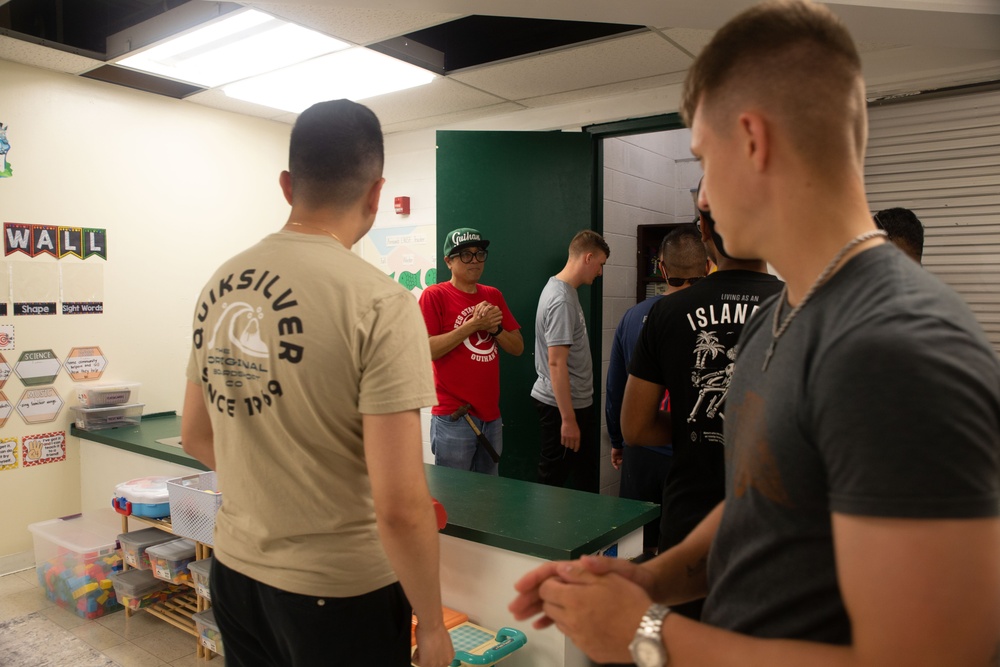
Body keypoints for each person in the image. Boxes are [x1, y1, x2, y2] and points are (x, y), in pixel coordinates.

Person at [510, 3, 1000, 666]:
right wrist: (652, 578)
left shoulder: (896, 342)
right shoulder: (781, 314)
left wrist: (648, 632)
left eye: (703, 160)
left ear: (752, 139)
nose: (703, 196)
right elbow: (761, 502)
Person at [181, 99, 453, 667]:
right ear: (377, 193)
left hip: (236, 572)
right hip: (341, 592)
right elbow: (401, 505)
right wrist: (431, 624)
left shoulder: (220, 283)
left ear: (287, 184)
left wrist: (273, 494)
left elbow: (195, 436)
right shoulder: (380, 302)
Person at [606, 223, 709, 556]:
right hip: (693, 452)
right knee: (686, 552)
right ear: (707, 267)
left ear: (661, 268)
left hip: (643, 452)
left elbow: (616, 387)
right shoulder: (713, 318)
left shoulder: (635, 316)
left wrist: (619, 441)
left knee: (638, 548)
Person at [419, 227, 523, 474]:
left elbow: (518, 347)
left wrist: (495, 329)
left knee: (489, 496)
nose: (474, 261)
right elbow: (426, 350)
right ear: (448, 261)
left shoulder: (492, 295)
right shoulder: (435, 295)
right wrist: (473, 326)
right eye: (465, 255)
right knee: (456, 497)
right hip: (454, 416)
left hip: (491, 416)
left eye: (479, 254)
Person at [531, 229, 610, 490]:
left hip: (574, 404)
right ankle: (542, 531)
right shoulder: (561, 299)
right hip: (562, 408)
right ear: (588, 258)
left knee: (582, 481)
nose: (599, 272)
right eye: (600, 265)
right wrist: (568, 419)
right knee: (553, 482)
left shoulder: (565, 291)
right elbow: (556, 363)